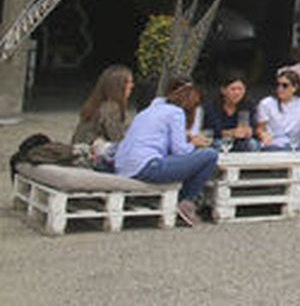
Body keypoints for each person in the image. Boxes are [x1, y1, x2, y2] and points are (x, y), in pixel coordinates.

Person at [114, 77, 219, 227]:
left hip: (124, 165)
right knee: (209, 155)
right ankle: (187, 201)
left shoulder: (151, 109)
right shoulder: (176, 113)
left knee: (197, 157)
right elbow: (180, 151)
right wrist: (193, 143)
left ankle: (183, 201)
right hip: (147, 166)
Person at [72, 64, 135, 166]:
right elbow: (117, 138)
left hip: (80, 150)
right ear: (119, 86)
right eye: (129, 82)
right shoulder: (111, 107)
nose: (132, 86)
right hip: (90, 155)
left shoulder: (95, 103)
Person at [256, 69, 300, 151]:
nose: (280, 88)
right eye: (278, 85)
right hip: (274, 143)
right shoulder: (267, 103)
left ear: (294, 88)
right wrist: (263, 135)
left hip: (293, 142)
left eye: (285, 85)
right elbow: (260, 128)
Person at [203, 73, 260, 152]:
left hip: (240, 141)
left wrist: (249, 131)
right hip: (219, 140)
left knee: (252, 144)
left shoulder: (249, 105)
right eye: (233, 89)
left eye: (240, 89)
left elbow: (253, 127)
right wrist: (232, 133)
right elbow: (212, 131)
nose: (237, 93)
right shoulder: (212, 107)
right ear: (223, 90)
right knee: (217, 145)